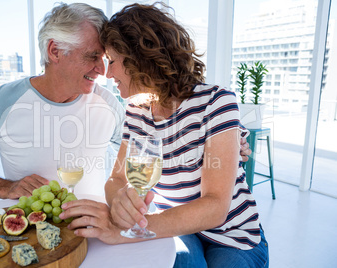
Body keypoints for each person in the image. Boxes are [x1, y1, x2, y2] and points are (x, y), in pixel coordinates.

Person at [96, 3, 268, 267]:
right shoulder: (135, 111)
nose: (107, 74)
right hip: (179, 225)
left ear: (139, 57)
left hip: (234, 234)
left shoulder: (216, 101)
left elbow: (215, 207)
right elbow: (116, 178)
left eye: (112, 61)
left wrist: (133, 231)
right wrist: (119, 200)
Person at [0, 3, 125, 198]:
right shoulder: (1, 103)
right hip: (31, 227)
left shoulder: (109, 104)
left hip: (92, 227)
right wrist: (5, 187)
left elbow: (134, 159)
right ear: (55, 51)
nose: (102, 70)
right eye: (92, 56)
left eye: (104, 58)